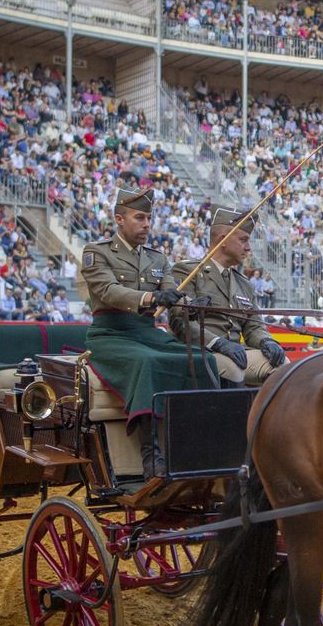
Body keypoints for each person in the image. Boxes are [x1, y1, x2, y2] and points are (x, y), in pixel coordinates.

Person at [79, 187, 219, 479]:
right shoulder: (97, 252)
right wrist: (150, 299)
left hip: (147, 333)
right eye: (139, 217)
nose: (146, 224)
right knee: (148, 362)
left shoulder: (158, 260)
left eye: (148, 218)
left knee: (203, 360)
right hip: (110, 335)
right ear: (119, 219)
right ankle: (150, 453)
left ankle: (203, 444)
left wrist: (192, 306)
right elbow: (108, 290)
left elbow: (173, 296)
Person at [169, 207, 287, 387]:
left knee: (283, 367)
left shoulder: (244, 284)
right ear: (222, 240)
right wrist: (218, 343)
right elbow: (180, 322)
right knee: (232, 368)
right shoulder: (188, 271)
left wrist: (267, 341)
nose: (248, 248)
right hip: (201, 351)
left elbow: (254, 326)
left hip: (237, 354)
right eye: (243, 240)